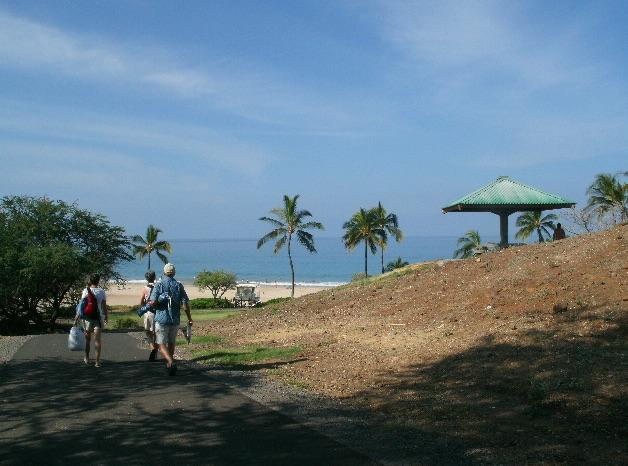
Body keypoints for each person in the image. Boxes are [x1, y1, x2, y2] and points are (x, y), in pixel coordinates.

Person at [148, 263, 192, 375]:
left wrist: (156, 303)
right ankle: (169, 365)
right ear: (174, 273)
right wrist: (189, 318)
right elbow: (185, 304)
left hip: (162, 319)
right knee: (172, 342)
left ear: (164, 272)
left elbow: (152, 302)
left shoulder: (159, 285)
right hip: (175, 319)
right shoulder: (178, 285)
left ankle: (170, 361)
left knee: (161, 343)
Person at [74, 273, 108, 367]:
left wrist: (77, 316)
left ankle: (87, 358)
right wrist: (106, 317)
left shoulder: (86, 290)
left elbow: (81, 305)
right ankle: (97, 362)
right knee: (97, 340)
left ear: (90, 280)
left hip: (87, 318)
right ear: (98, 281)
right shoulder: (101, 291)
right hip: (98, 318)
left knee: (87, 340)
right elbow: (104, 307)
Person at [141, 270, 159, 361]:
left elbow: (141, 302)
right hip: (156, 312)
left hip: (147, 313)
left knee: (148, 331)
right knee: (155, 332)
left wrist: (144, 306)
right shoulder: (157, 287)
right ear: (154, 277)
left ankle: (153, 348)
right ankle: (155, 349)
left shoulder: (145, 288)